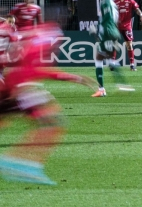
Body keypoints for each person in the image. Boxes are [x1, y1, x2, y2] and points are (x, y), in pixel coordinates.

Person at [0, 23, 95, 184]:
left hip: (9, 85)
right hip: (19, 87)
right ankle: (22, 164)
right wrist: (73, 77)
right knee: (53, 122)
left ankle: (21, 164)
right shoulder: (39, 46)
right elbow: (31, 70)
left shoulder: (30, 39)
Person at [89, 0, 128, 97]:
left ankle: (102, 89)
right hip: (113, 31)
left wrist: (97, 32)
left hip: (107, 32)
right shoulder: (111, 1)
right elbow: (115, 19)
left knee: (99, 58)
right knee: (110, 59)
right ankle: (122, 85)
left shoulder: (105, 2)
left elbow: (106, 20)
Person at [114, 0, 142, 71]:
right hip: (116, 26)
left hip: (127, 26)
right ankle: (112, 63)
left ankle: (132, 64)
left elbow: (136, 9)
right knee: (114, 44)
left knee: (129, 44)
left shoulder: (130, 0)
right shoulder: (114, 1)